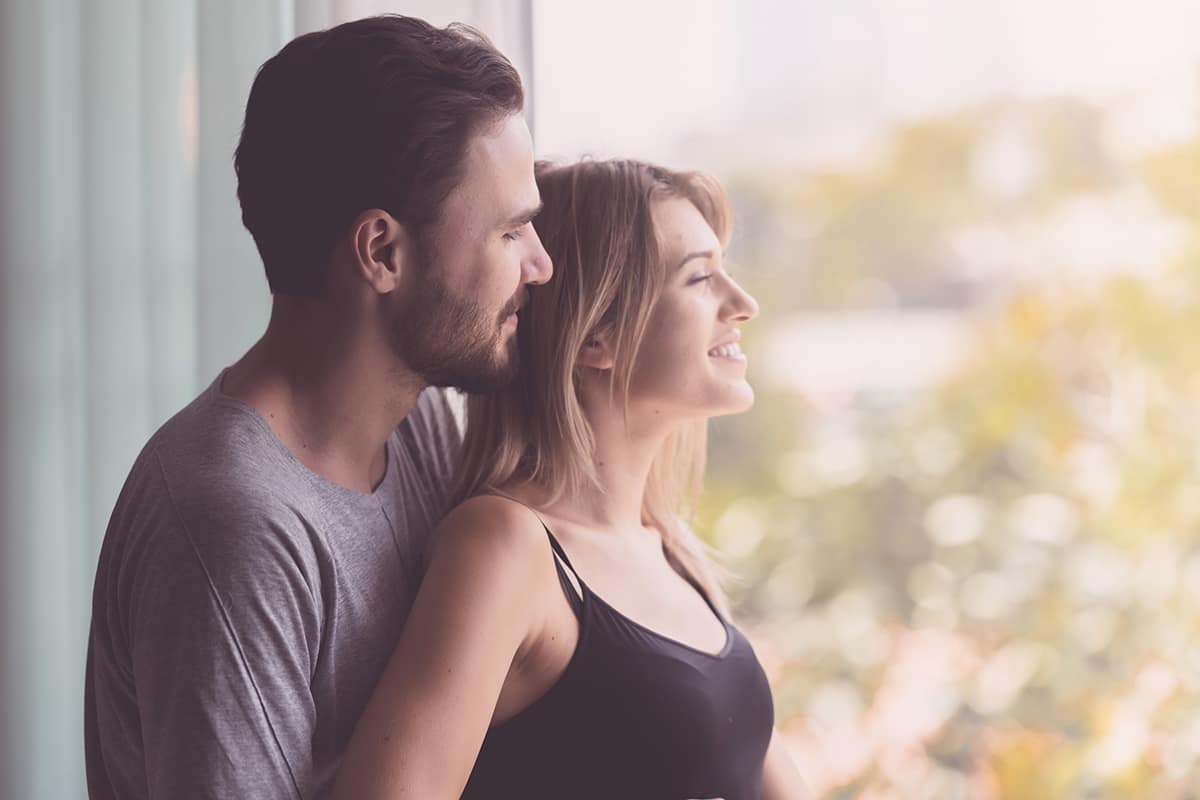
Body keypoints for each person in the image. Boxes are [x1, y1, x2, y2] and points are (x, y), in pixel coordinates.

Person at [84, 15, 551, 799]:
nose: (540, 263)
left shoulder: (421, 426)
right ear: (381, 252)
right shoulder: (235, 526)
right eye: (511, 232)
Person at [332, 159, 809, 799]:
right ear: (596, 337)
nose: (743, 304)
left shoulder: (665, 547)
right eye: (699, 278)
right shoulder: (503, 546)